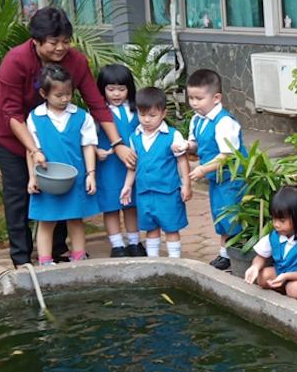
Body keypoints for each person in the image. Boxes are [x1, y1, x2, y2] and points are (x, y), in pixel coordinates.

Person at [0, 7, 135, 266]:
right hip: (9, 132)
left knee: (61, 183)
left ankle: (58, 252)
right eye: (53, 42)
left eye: (65, 41)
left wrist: (117, 143)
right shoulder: (16, 60)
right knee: (20, 191)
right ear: (36, 41)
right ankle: (21, 259)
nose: (61, 48)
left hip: (56, 132)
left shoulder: (76, 61)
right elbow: (12, 113)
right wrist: (34, 149)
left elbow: (96, 104)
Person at [25, 64, 99, 265]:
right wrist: (33, 177)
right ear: (44, 93)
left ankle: (79, 258)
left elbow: (88, 146)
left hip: (75, 178)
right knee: (46, 221)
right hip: (47, 179)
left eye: (69, 94)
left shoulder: (82, 116)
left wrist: (90, 174)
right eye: (59, 95)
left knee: (76, 219)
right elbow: (31, 150)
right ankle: (45, 262)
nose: (65, 99)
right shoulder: (35, 117)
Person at [176, 68, 246, 271]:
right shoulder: (197, 120)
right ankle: (225, 254)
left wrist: (202, 169)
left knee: (233, 218)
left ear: (216, 98)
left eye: (199, 98)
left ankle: (237, 257)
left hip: (233, 179)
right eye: (191, 98)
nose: (194, 103)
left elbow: (227, 155)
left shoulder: (224, 122)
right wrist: (187, 147)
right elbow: (197, 145)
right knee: (220, 216)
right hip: (217, 179)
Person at [119, 87, 190, 258]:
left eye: (152, 115)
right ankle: (154, 263)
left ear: (163, 113)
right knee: (150, 230)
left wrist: (186, 184)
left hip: (168, 193)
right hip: (144, 193)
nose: (146, 120)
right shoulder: (134, 137)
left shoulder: (173, 135)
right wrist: (127, 186)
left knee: (171, 229)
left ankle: (175, 263)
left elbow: (182, 161)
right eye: (142, 115)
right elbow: (132, 166)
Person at [244, 186, 297, 306]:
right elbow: (261, 257)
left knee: (294, 289)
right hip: (285, 275)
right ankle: (286, 293)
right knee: (263, 277)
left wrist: (286, 276)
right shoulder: (275, 236)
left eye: (282, 220)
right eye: (274, 219)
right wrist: (255, 267)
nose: (276, 224)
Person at [95, 63, 142, 257]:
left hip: (132, 165)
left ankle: (134, 242)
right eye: (111, 89)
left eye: (121, 89)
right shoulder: (98, 114)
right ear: (102, 89)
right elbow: (88, 139)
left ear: (129, 89)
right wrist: (97, 151)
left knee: (131, 205)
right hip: (109, 167)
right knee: (111, 206)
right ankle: (117, 245)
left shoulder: (137, 110)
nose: (116, 94)